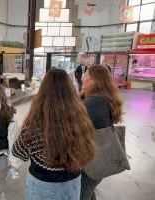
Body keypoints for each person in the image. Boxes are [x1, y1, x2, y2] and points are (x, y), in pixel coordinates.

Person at [12, 69, 96, 200]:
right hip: (73, 181)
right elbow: (88, 149)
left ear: (43, 91)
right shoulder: (80, 119)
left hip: (42, 184)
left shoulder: (36, 122)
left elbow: (18, 152)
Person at [81, 65, 123, 200]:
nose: (82, 79)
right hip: (96, 162)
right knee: (88, 192)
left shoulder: (95, 101)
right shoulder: (101, 98)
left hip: (90, 164)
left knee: (81, 195)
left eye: (86, 76)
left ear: (95, 80)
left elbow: (72, 125)